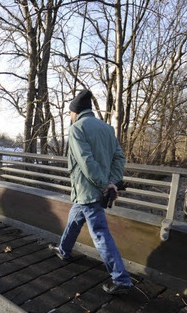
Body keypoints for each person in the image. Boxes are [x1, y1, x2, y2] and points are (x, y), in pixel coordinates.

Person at [49, 89, 133, 295]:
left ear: (75, 112)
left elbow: (85, 161)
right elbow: (119, 158)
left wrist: (105, 185)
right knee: (74, 219)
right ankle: (64, 250)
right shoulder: (106, 129)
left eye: (69, 113)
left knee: (100, 234)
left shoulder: (77, 128)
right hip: (86, 192)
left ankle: (121, 279)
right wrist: (112, 182)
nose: (69, 116)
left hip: (89, 190)